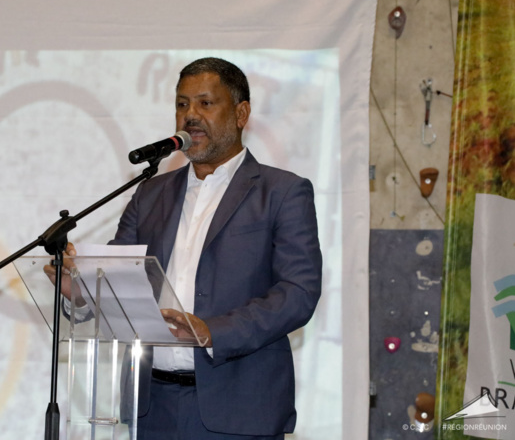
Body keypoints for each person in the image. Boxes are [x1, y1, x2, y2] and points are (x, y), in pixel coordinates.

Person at [57, 57, 322, 439]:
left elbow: (298, 293)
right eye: (182, 104)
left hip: (240, 409)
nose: (190, 115)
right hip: (152, 408)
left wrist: (213, 331)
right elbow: (119, 279)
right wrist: (80, 293)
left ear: (241, 113)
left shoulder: (282, 192)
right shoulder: (150, 194)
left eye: (205, 103)